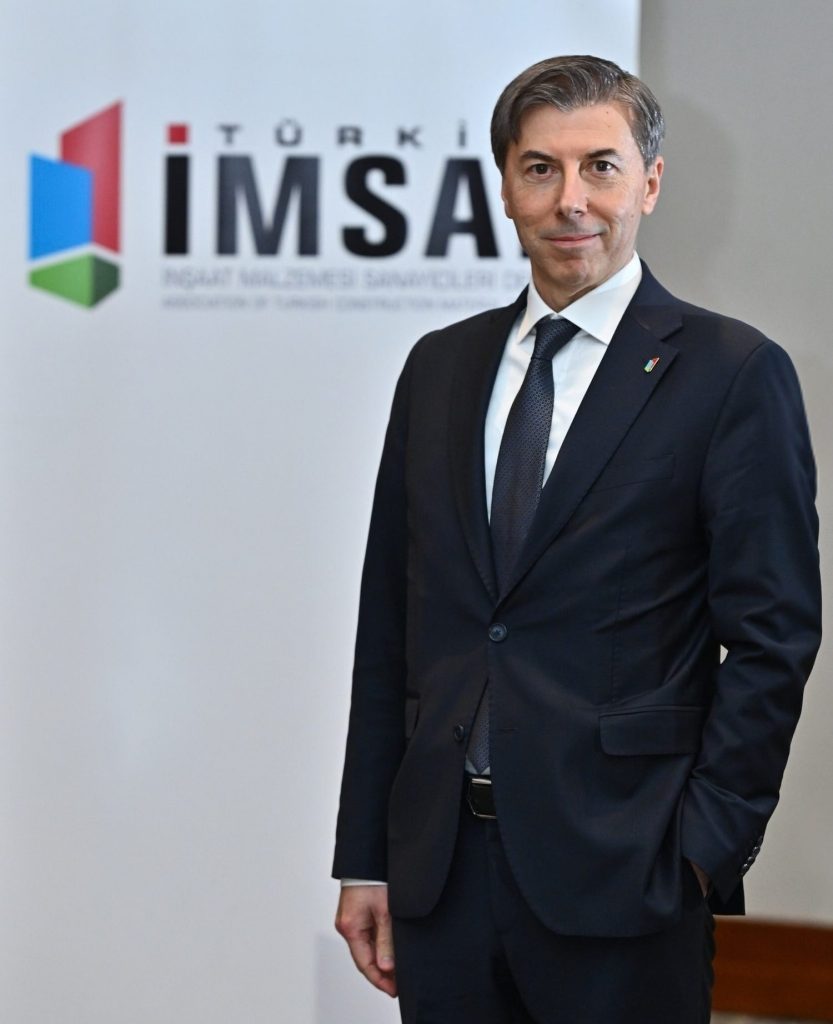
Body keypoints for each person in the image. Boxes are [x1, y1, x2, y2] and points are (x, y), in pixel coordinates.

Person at [332, 55, 821, 1024]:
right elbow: (389, 626)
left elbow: (773, 638)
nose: (570, 200)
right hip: (440, 881)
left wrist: (700, 848)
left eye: (599, 166)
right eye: (539, 168)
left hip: (628, 878)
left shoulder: (730, 372)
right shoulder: (438, 369)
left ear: (649, 182)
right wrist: (365, 858)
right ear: (504, 187)